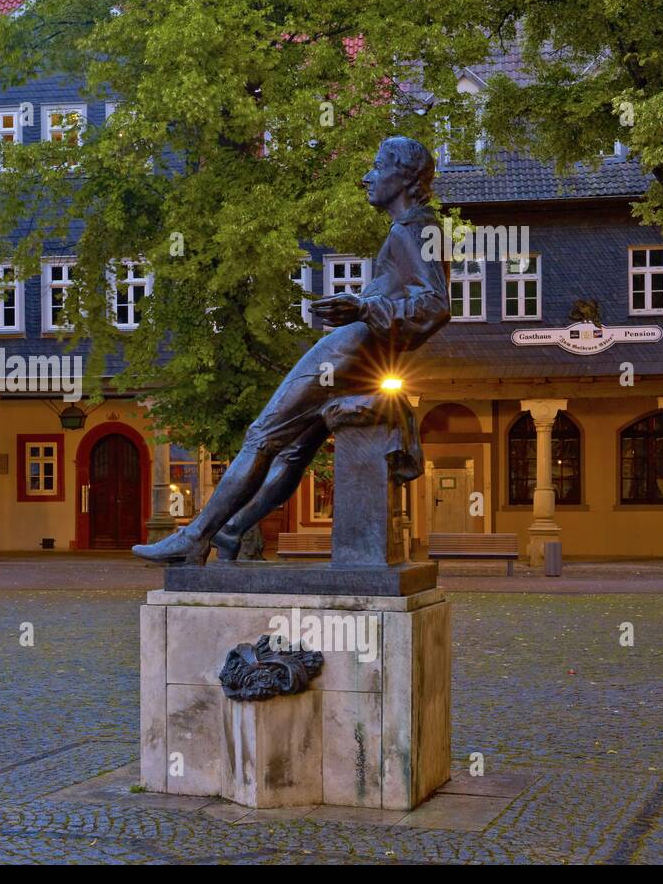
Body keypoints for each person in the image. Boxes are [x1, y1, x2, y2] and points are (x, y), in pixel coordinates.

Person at [133, 136, 450, 566]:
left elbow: (435, 305)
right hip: (367, 354)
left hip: (351, 351)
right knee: (295, 448)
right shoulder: (416, 228)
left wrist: (363, 305)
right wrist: (366, 302)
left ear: (405, 177)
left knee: (263, 435)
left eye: (377, 166)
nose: (367, 176)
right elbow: (413, 295)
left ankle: (196, 537)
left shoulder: (413, 228)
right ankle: (229, 532)